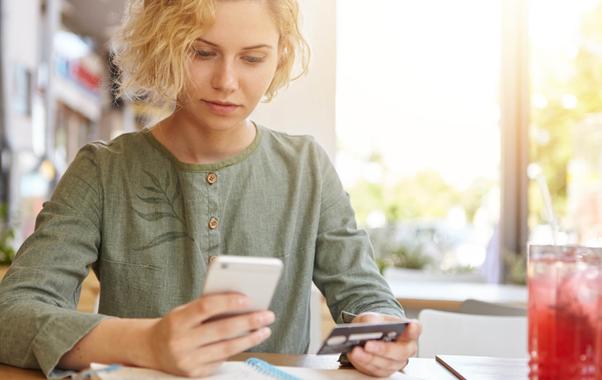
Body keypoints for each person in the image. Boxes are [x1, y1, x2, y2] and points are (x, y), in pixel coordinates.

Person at [0, 0, 421, 378]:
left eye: (253, 58)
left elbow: (366, 294)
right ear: (162, 46)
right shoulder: (104, 170)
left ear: (279, 58)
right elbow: (10, 315)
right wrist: (145, 343)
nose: (226, 81)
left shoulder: (306, 168)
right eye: (201, 52)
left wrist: (378, 330)